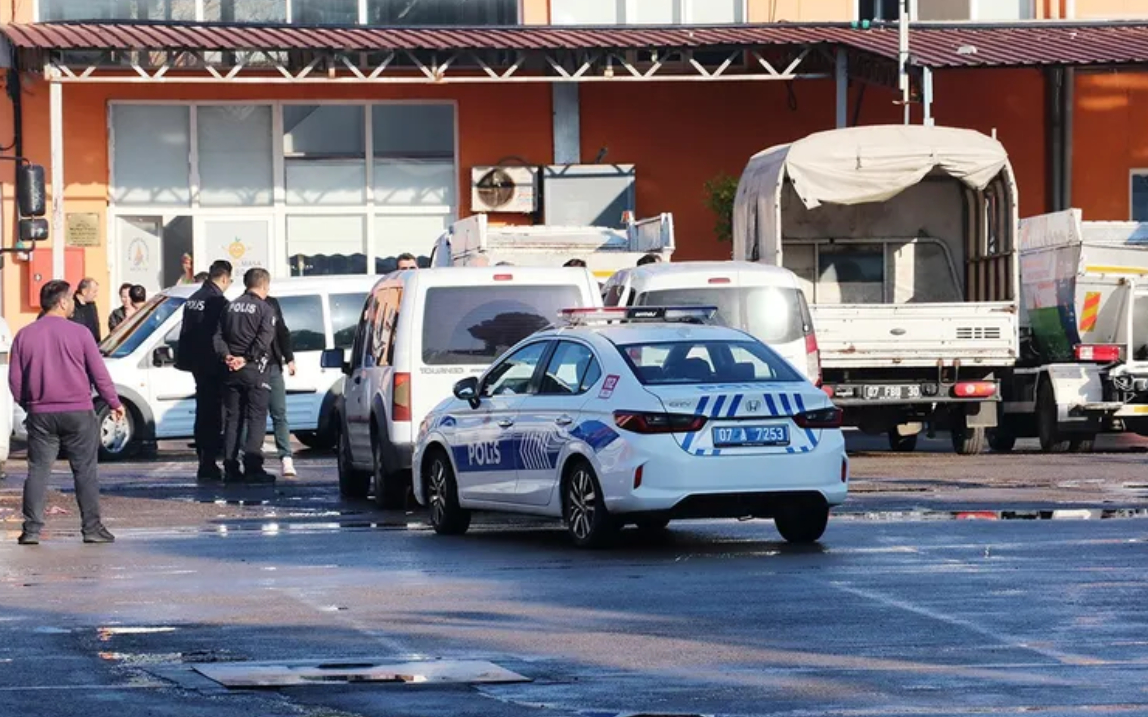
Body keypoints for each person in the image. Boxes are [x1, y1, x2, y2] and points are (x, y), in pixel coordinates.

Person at [9, 280, 122, 545]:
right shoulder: (80, 333)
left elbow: (15, 379)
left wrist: (30, 404)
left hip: (41, 414)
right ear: (61, 302)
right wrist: (114, 403)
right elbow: (99, 374)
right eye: (70, 298)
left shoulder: (24, 335)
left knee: (38, 471)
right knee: (84, 471)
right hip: (78, 412)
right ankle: (92, 529)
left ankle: (32, 530)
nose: (73, 303)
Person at [215, 268, 277, 483]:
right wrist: (246, 358)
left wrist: (227, 357)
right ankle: (253, 467)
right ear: (264, 286)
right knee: (256, 418)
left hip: (230, 371)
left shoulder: (230, 306)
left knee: (233, 419)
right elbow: (264, 340)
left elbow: (218, 336)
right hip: (254, 371)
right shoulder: (265, 309)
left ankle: (230, 467)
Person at [176, 260, 233, 481]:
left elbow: (186, 333)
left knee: (203, 413)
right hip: (213, 366)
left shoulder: (193, 299)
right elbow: (221, 335)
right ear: (225, 278)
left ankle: (204, 460)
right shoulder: (217, 301)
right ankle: (209, 462)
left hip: (197, 365)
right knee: (214, 416)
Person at [241, 293, 296, 478]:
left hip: (272, 365)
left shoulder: (272, 303)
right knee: (253, 415)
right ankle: (250, 457)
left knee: (279, 412)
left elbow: (282, 331)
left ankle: (286, 458)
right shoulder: (243, 305)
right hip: (252, 365)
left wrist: (289, 358)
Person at [71, 278, 101, 342]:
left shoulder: (92, 306)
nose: (96, 295)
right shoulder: (71, 306)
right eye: (94, 292)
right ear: (84, 292)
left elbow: (96, 328)